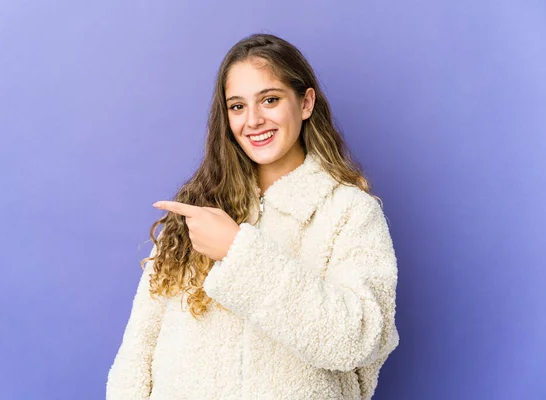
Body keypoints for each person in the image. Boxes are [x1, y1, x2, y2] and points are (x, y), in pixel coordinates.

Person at [106, 33, 399, 400]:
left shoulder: (351, 213)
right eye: (237, 106)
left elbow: (357, 340)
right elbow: (138, 352)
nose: (254, 120)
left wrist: (237, 253)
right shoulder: (197, 211)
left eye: (270, 100)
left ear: (305, 102)